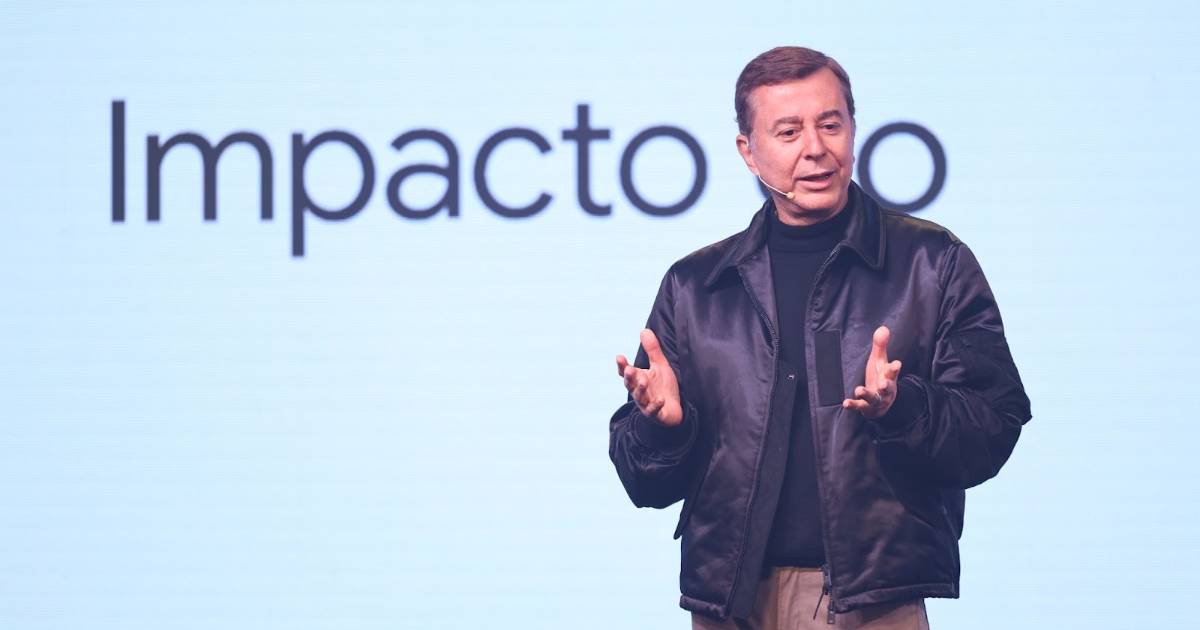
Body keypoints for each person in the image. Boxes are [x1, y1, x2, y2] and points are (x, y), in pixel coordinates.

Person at [607, 46, 1032, 630]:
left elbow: (993, 426)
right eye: (788, 131)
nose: (815, 148)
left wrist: (902, 406)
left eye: (830, 124)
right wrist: (663, 427)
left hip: (872, 599)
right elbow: (641, 480)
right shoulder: (697, 286)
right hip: (729, 601)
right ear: (748, 152)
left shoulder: (931, 264)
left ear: (853, 130)